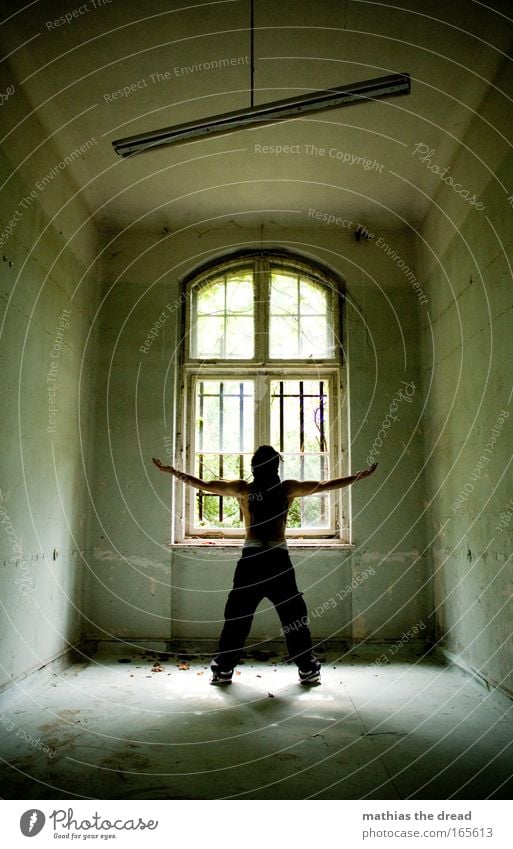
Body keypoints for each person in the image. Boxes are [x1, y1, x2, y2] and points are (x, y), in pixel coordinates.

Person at [152, 447, 377, 686]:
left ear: (253, 468)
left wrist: (174, 471)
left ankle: (224, 670)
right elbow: (324, 485)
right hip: (277, 560)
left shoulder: (244, 489)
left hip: (252, 559)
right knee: (293, 617)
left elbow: (205, 485)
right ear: (275, 468)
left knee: (239, 616)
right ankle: (306, 669)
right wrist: (358, 476)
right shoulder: (285, 489)